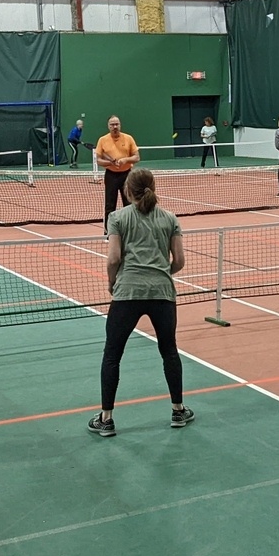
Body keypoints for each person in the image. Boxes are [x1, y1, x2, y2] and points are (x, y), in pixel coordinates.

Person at [91, 168, 194, 436]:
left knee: (112, 355)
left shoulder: (117, 217)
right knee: (169, 351)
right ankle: (178, 410)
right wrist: (160, 274)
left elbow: (114, 259)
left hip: (128, 294)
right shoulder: (170, 218)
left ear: (127, 191)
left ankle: (106, 419)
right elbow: (180, 261)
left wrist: (113, 281)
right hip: (162, 294)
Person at [95, 115, 140, 232]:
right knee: (110, 205)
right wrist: (110, 163)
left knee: (129, 204)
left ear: (120, 125)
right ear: (108, 126)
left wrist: (125, 160)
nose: (115, 126)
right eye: (112, 124)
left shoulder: (128, 138)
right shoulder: (102, 140)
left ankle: (131, 230)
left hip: (127, 175)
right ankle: (108, 231)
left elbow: (136, 157)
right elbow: (99, 160)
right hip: (111, 176)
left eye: (117, 124)